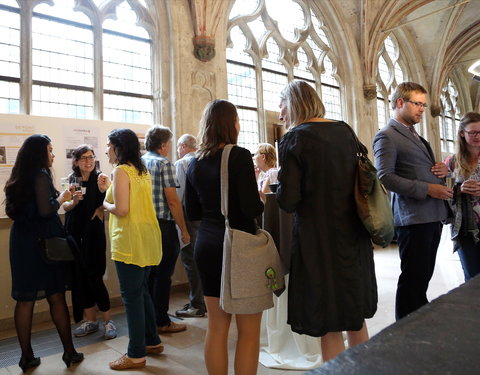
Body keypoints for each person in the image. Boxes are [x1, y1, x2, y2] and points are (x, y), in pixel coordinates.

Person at [276, 80, 377, 362]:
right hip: (353, 235)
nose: (280, 113)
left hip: (317, 240)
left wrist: (277, 184)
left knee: (328, 320)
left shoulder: (295, 138)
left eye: (282, 105)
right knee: (354, 315)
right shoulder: (345, 131)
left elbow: (289, 201)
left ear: (294, 103)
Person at [185, 99, 264, 375]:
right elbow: (252, 208)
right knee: (249, 331)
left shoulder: (194, 162)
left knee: (217, 327)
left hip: (206, 244)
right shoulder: (239, 156)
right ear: (230, 123)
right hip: (238, 245)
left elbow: (191, 211)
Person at [4, 134, 84, 372]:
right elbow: (46, 209)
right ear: (40, 153)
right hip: (42, 245)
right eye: (50, 150)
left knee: (25, 300)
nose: (53, 154)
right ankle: (69, 353)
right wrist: (63, 196)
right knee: (56, 297)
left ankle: (26, 357)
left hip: (22, 243)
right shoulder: (39, 175)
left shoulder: (19, 177)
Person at [373, 82, 452, 321]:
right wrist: (427, 188)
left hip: (431, 216)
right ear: (400, 102)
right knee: (412, 279)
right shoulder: (386, 136)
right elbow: (385, 176)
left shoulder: (413, 135)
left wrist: (440, 170)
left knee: (422, 278)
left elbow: (415, 168)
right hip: (413, 218)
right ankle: (405, 331)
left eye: (424, 105)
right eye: (417, 104)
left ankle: (418, 324)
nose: (421, 109)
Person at [101, 128, 163, 370]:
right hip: (147, 237)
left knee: (131, 297)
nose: (106, 150)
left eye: (109, 145)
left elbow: (122, 209)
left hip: (129, 240)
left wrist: (105, 203)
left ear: (118, 147)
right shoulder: (141, 170)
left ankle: (135, 354)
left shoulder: (121, 171)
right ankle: (152, 341)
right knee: (142, 292)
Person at [63, 145, 117, 340]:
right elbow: (68, 207)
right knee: (81, 278)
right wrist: (74, 201)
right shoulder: (74, 179)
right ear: (76, 161)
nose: (88, 161)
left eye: (91, 157)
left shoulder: (100, 178)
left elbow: (111, 201)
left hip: (94, 234)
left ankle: (108, 320)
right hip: (75, 234)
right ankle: (91, 321)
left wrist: (103, 206)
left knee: (95, 276)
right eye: (84, 158)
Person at [142, 125, 190, 333]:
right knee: (163, 275)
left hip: (144, 226)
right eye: (169, 142)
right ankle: (162, 321)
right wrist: (184, 229)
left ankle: (150, 318)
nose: (170, 146)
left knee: (150, 275)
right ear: (163, 144)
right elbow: (172, 201)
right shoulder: (164, 164)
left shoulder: (140, 162)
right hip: (163, 226)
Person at [174, 134, 207, 318]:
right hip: (207, 218)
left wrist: (180, 226)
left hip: (189, 217)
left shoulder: (182, 164)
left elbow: (178, 197)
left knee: (191, 260)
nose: (178, 151)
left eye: (179, 147)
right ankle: (206, 301)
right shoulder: (204, 160)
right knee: (204, 260)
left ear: (184, 146)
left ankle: (197, 304)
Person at [445, 112, 480, 281]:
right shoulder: (452, 162)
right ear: (462, 133)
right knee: (472, 277)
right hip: (465, 226)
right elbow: (442, 192)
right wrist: (459, 189)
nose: (477, 136)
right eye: (472, 132)